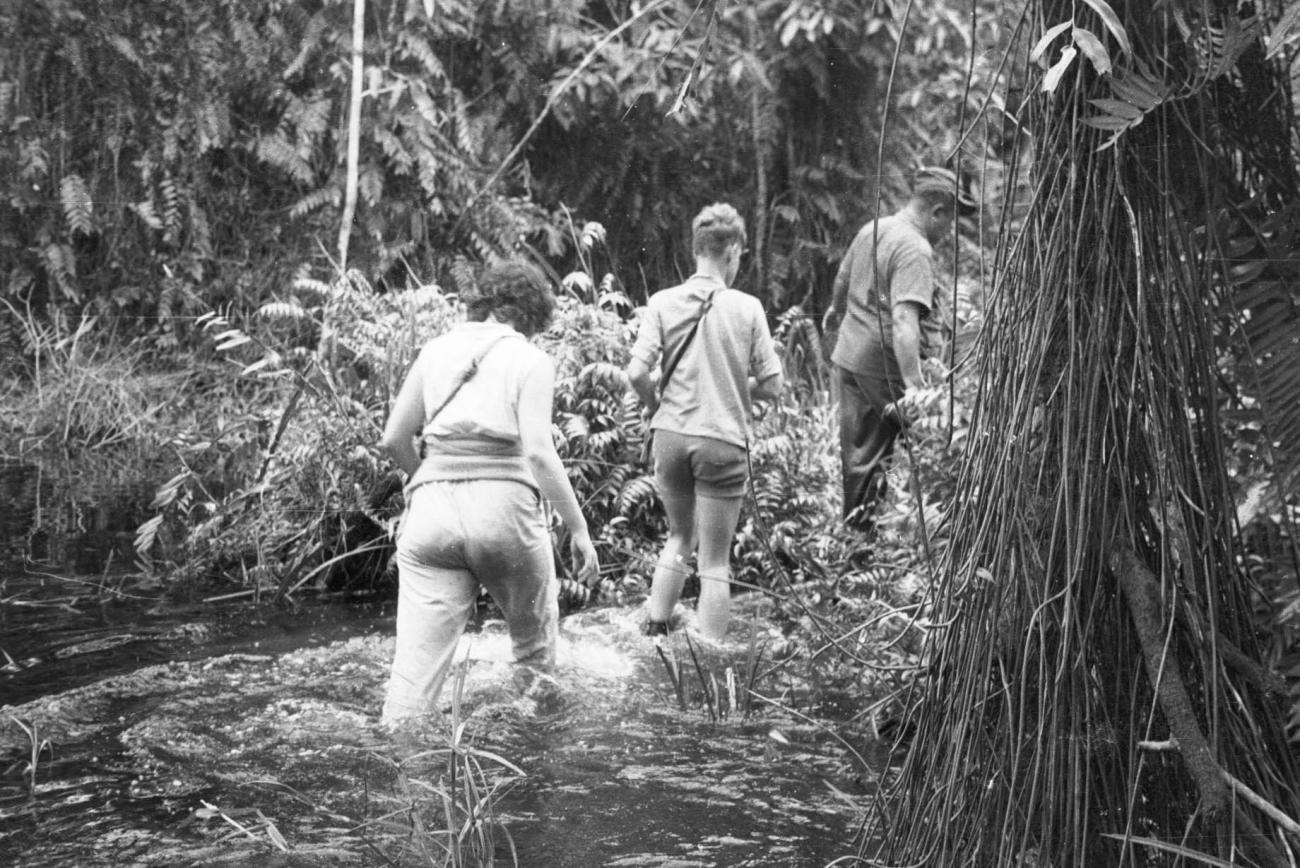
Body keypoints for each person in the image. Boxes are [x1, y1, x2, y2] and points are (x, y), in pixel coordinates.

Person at [378, 260, 600, 721]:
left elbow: (394, 439)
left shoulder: (434, 350)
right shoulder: (530, 359)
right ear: (530, 315)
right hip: (505, 513)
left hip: (431, 512)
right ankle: (528, 766)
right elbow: (539, 453)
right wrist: (578, 530)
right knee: (535, 659)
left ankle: (400, 774)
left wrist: (429, 477)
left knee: (411, 689)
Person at [627, 203, 784, 641]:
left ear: (697, 249)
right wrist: (736, 386)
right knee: (715, 560)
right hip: (721, 440)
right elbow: (773, 384)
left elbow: (637, 373)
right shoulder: (747, 307)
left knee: (679, 537)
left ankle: (656, 630)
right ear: (732, 251)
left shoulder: (662, 301)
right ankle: (712, 655)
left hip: (671, 438)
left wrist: (656, 402)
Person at [822, 166, 976, 532]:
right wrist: (917, 389)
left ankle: (859, 548)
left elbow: (841, 282)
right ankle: (922, 539)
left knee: (859, 456)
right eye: (950, 222)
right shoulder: (914, 248)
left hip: (849, 357)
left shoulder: (873, 229)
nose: (949, 232)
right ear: (937, 211)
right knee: (933, 443)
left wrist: (835, 314)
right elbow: (905, 320)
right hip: (882, 367)